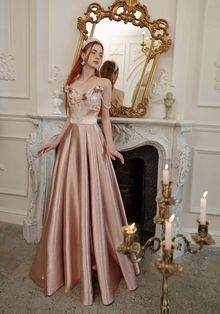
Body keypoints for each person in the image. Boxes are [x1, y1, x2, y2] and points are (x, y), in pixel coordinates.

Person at [29, 37, 139, 306]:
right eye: (94, 52)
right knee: (71, 199)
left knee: (98, 200)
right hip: (71, 145)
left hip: (92, 142)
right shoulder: (72, 84)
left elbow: (104, 118)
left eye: (101, 53)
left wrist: (110, 147)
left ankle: (102, 259)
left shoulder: (104, 84)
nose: (98, 56)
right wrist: (56, 140)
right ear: (83, 55)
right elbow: (70, 119)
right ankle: (70, 261)